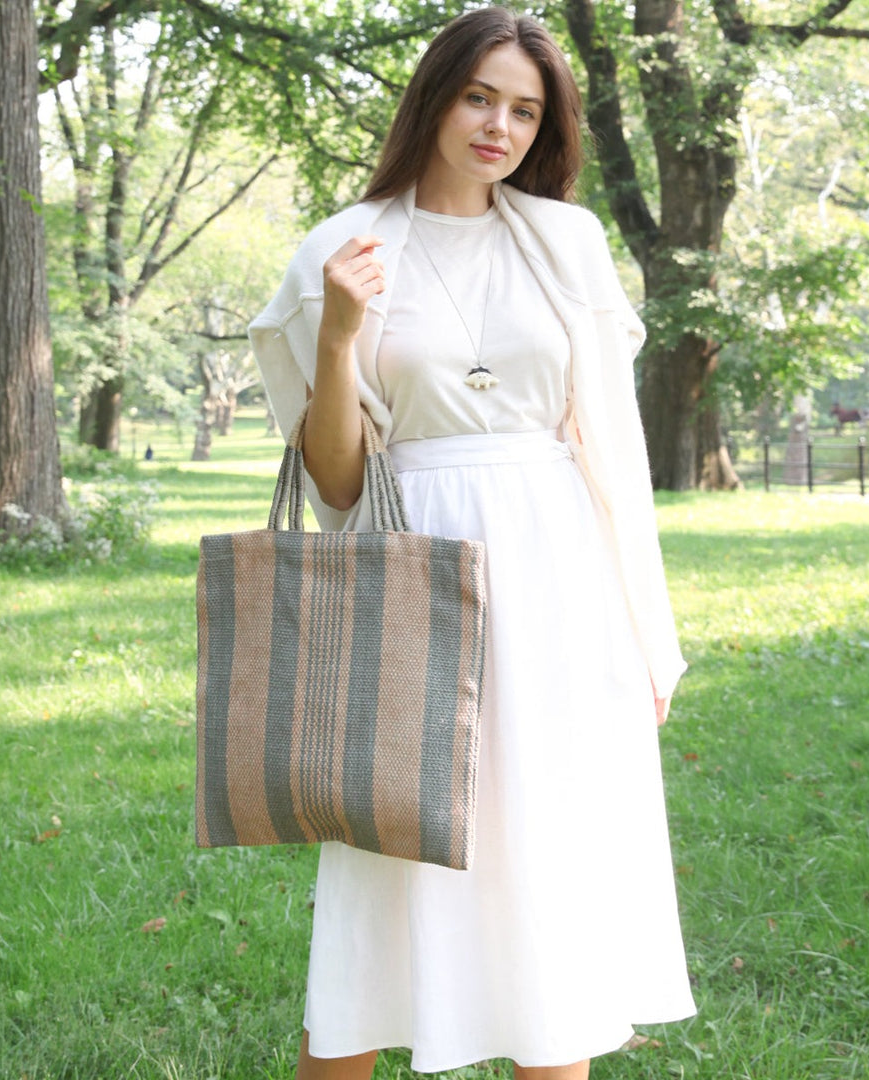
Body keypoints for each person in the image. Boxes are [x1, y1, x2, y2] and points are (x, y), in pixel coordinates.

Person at [248, 7, 695, 1077]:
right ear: (437, 98)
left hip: (559, 579)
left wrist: (643, 628)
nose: (501, 125)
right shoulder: (346, 245)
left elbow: (614, 451)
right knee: (391, 861)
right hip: (417, 568)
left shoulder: (566, 243)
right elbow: (340, 484)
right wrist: (343, 335)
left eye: (526, 110)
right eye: (480, 97)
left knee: (552, 871)